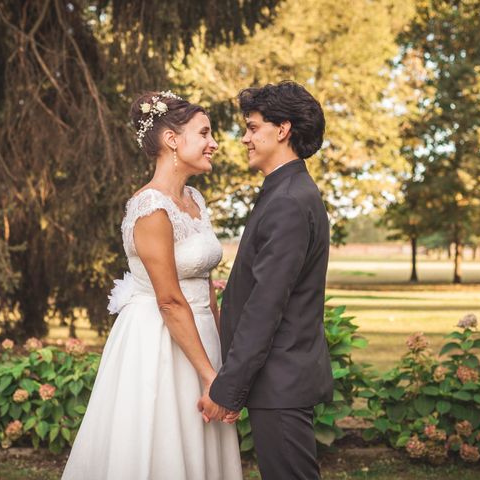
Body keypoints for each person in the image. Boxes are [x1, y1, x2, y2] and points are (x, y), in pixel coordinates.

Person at [62, 91, 242, 480]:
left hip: (203, 336)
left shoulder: (194, 199)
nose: (214, 143)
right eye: (204, 133)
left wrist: (223, 361)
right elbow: (170, 301)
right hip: (161, 342)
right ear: (172, 141)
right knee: (162, 444)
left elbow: (206, 283)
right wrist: (211, 378)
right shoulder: (150, 208)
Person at [198, 81, 334, 480]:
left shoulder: (289, 201)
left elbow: (265, 307)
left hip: (281, 381)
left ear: (283, 129)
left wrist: (228, 389)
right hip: (280, 379)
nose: (245, 138)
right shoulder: (284, 190)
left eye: (253, 127)